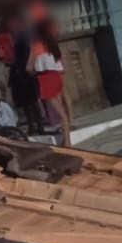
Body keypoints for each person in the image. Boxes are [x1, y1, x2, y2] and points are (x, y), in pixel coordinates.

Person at [32, 17, 71, 146]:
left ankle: (68, 142)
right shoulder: (52, 44)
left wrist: (33, 71)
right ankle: (66, 140)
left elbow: (28, 66)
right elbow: (60, 64)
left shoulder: (37, 46)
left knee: (61, 114)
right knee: (61, 111)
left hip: (45, 79)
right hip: (55, 77)